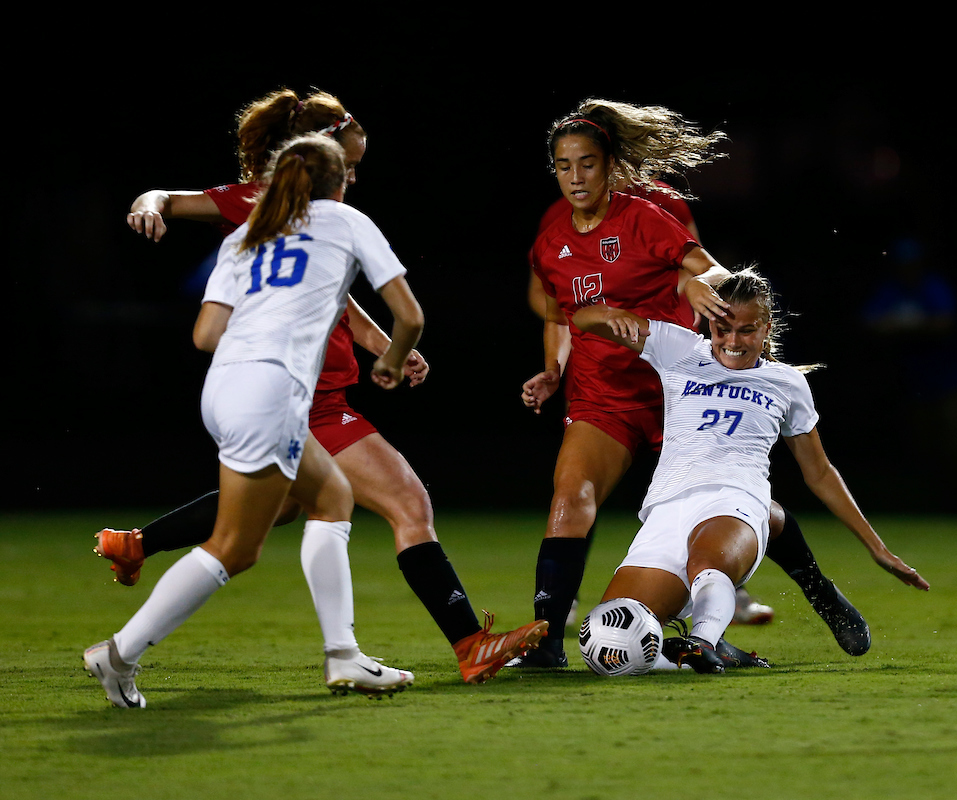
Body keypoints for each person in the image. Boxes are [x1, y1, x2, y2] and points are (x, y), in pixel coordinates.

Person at [102, 88, 547, 688]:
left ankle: (136, 549)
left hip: (239, 389)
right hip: (300, 397)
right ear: (321, 160)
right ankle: (465, 645)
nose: (354, 177)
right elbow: (405, 312)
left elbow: (234, 327)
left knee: (284, 509)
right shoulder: (281, 209)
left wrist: (380, 346)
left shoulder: (257, 231)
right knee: (404, 504)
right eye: (350, 165)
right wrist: (152, 203)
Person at [515, 100, 877, 668]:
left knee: (741, 501)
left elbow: (708, 269)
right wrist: (553, 369)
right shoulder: (550, 240)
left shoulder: (648, 212)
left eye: (588, 163)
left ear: (610, 163)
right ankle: (546, 644)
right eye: (565, 165)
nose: (577, 176)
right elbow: (559, 314)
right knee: (570, 498)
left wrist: (699, 285)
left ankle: (813, 589)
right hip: (603, 396)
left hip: (678, 389)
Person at [84, 134, 423, 706]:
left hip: (223, 389)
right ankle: (118, 655)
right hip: (272, 391)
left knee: (331, 497)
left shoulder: (244, 237)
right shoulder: (346, 220)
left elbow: (204, 335)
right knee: (235, 548)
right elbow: (410, 317)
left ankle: (344, 655)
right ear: (335, 184)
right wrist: (389, 362)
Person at [572, 267, 930, 673]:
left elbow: (820, 472)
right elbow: (582, 317)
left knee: (708, 563)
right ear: (709, 321)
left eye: (746, 330)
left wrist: (878, 549)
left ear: (766, 329)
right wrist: (627, 310)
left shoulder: (786, 382)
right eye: (722, 328)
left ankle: (703, 640)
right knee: (614, 643)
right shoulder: (677, 348)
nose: (732, 341)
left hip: (736, 497)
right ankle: (718, 652)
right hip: (667, 506)